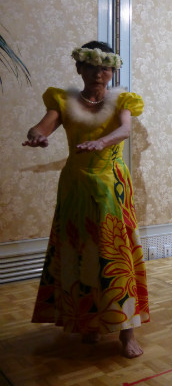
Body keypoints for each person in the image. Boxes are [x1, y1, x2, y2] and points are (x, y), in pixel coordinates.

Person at [23, 41, 148, 358]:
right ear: (79, 68)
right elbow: (46, 123)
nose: (98, 72)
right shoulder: (63, 100)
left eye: (105, 67)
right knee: (81, 253)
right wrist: (38, 134)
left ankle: (126, 333)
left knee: (114, 255)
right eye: (91, 66)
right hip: (76, 186)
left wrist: (103, 141)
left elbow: (124, 130)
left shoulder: (122, 99)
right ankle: (89, 322)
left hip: (111, 185)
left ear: (112, 71)